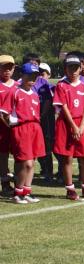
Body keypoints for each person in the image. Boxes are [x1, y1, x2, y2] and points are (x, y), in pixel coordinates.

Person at [53, 55, 84, 200]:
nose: (74, 70)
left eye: (76, 67)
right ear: (65, 69)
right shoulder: (61, 85)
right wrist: (73, 126)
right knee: (68, 158)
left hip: (81, 125)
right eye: (70, 67)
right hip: (66, 124)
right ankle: (70, 189)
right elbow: (63, 107)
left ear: (81, 68)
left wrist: (81, 126)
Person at [3, 63, 45, 204]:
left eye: (35, 76)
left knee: (32, 162)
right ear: (22, 75)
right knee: (24, 163)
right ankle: (18, 192)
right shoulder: (14, 92)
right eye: (29, 75)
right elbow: (4, 113)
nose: (32, 79)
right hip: (21, 129)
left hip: (34, 128)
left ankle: (27, 191)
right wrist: (12, 125)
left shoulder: (34, 94)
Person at [0, 54, 17, 196]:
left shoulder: (19, 85)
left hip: (18, 128)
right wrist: (8, 124)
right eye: (4, 67)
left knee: (20, 155)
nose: (7, 70)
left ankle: (20, 182)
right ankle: (5, 183)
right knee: (3, 155)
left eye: (9, 67)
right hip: (2, 128)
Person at [37, 62, 56, 181]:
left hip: (47, 119)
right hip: (36, 119)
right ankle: (44, 168)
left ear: (49, 75)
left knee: (48, 144)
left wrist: (42, 115)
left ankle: (49, 171)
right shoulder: (34, 84)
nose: (40, 76)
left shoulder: (50, 87)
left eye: (43, 73)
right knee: (38, 145)